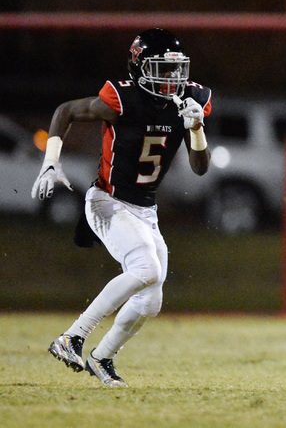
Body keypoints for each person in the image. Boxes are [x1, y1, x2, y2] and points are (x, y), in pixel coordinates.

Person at [32, 28, 212, 387]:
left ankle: (102, 358)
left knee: (151, 299)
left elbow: (200, 167)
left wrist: (196, 129)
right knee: (145, 268)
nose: (173, 79)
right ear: (139, 66)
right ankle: (72, 337)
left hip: (146, 209)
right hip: (107, 200)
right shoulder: (122, 99)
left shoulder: (192, 99)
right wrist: (51, 161)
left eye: (177, 70)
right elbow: (65, 110)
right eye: (162, 69)